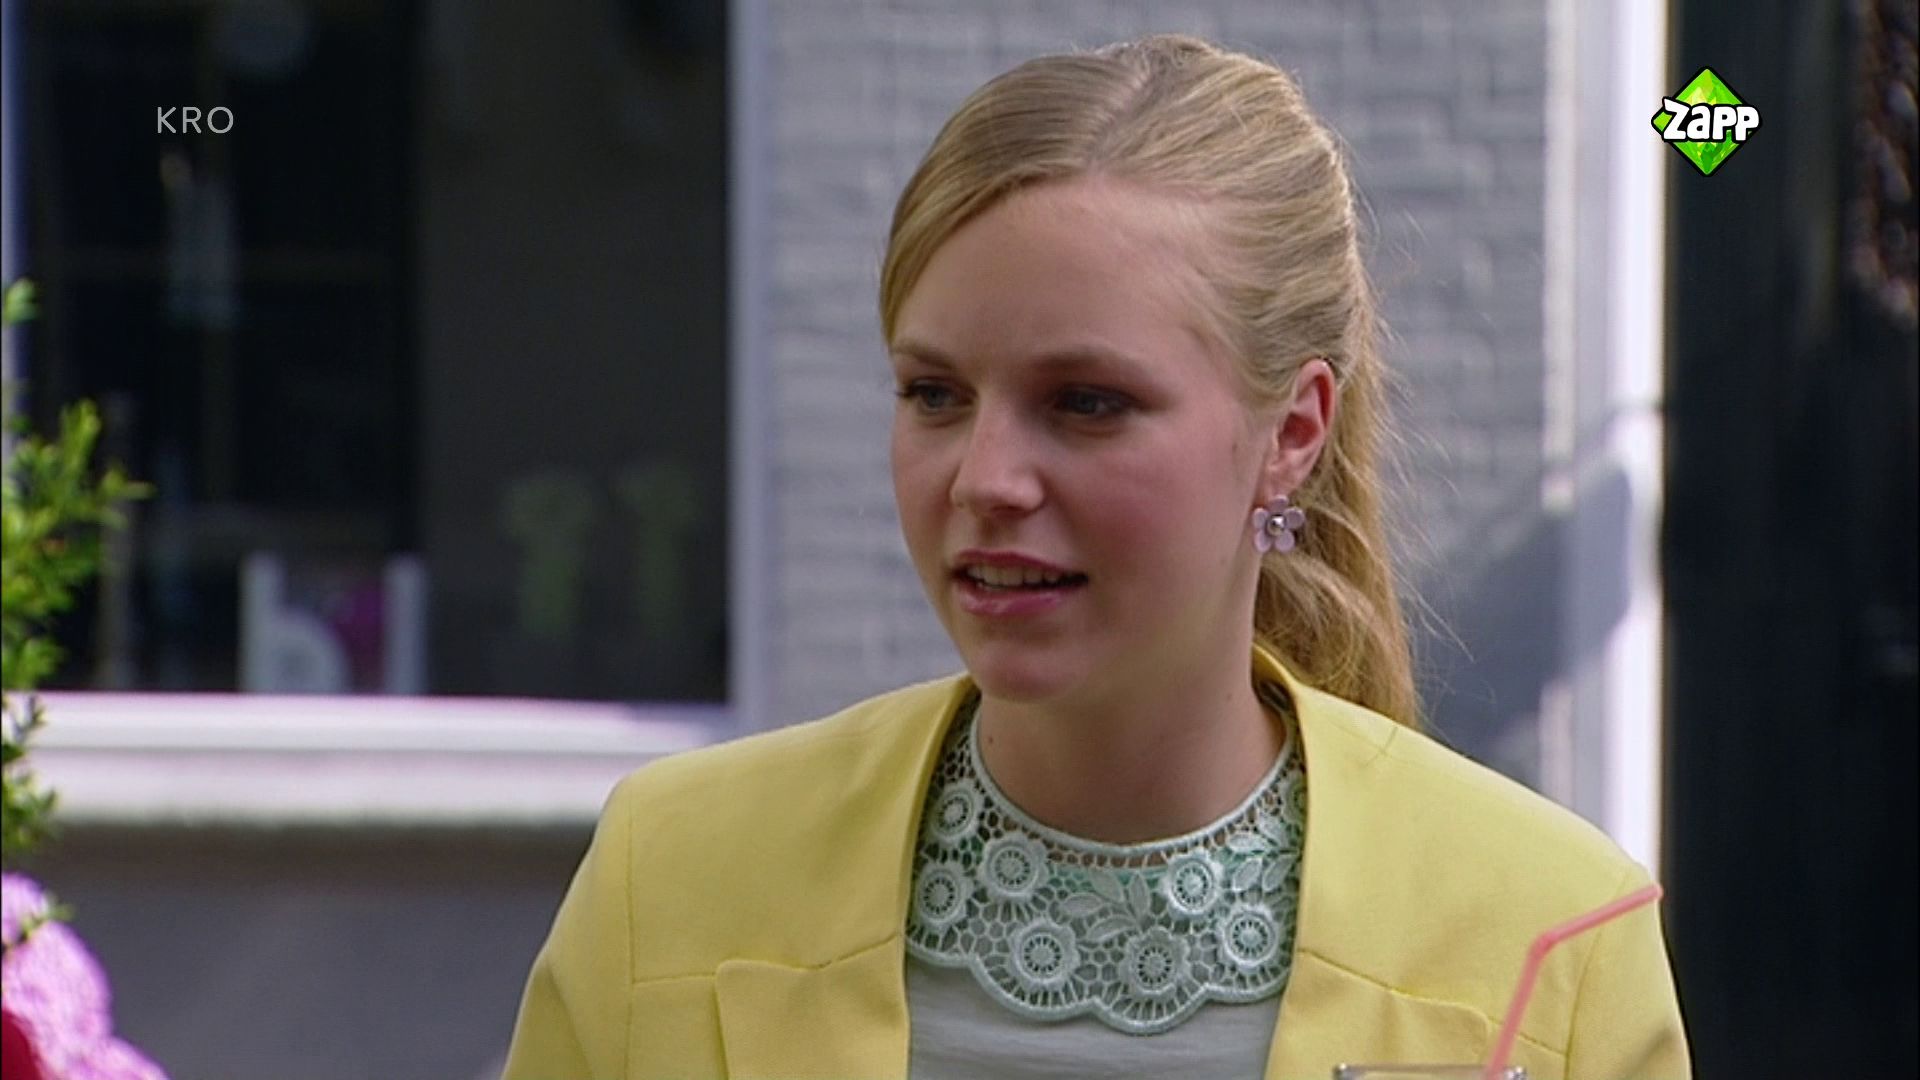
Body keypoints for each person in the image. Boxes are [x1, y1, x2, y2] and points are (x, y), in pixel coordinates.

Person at [502, 34, 1690, 1080]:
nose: (986, 479)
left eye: (1086, 402)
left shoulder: (1551, 934)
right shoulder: (672, 877)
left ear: (1292, 433)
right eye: (934, 393)